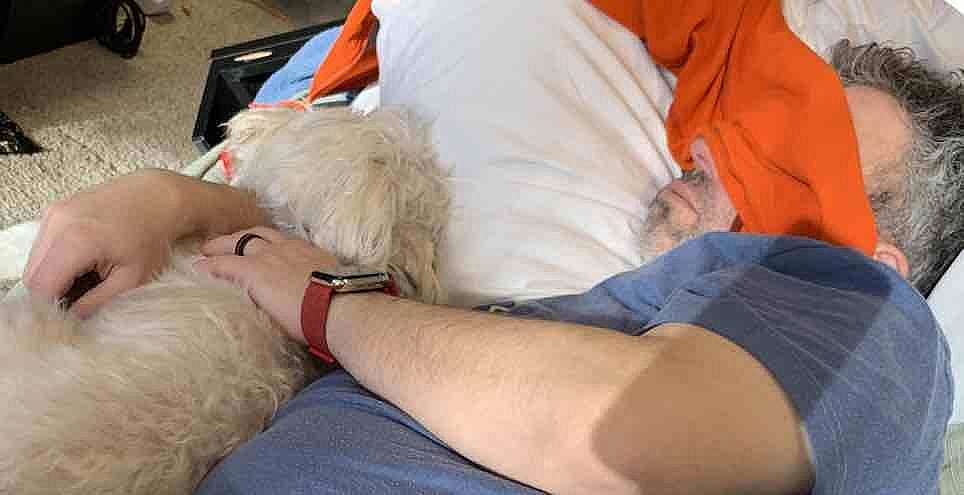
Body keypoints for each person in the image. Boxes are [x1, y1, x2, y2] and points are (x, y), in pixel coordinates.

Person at [22, 2, 964, 494]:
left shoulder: (876, 330)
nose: (710, 144)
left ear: (875, 261)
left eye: (797, 158)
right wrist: (175, 197)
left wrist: (337, 305)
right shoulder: (583, 314)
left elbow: (619, 433)